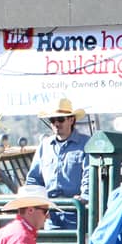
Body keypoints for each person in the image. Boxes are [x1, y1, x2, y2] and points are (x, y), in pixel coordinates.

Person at [25, 97, 90, 230]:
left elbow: (89, 176)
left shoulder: (86, 145)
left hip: (76, 212)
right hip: (51, 214)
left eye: (60, 119)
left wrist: (84, 197)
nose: (56, 123)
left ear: (71, 120)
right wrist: (38, 204)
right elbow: (34, 179)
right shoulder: (45, 146)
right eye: (52, 120)